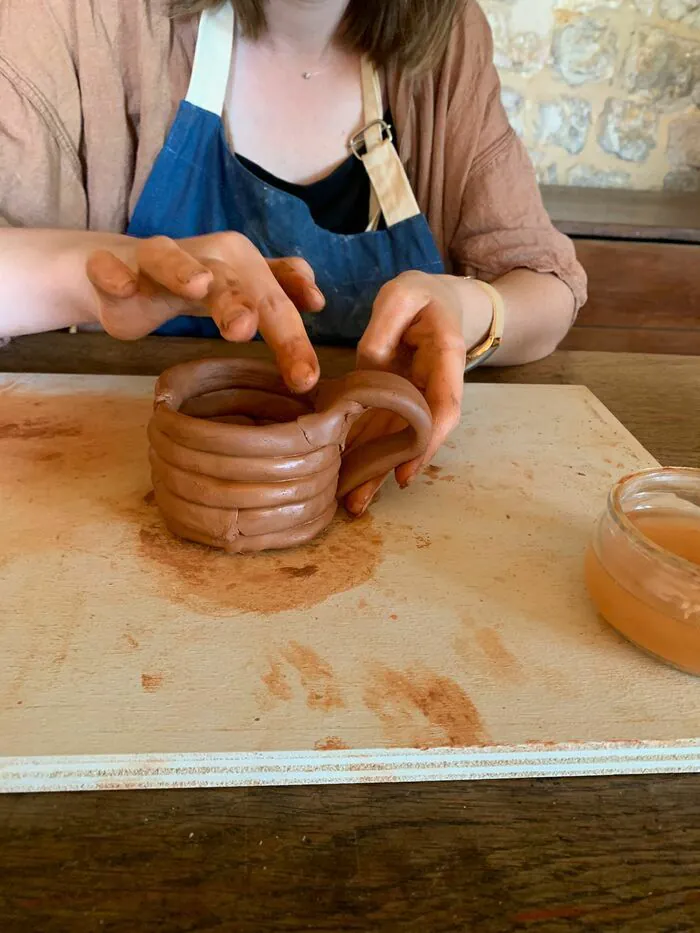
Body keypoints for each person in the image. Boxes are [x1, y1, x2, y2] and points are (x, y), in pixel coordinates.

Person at [0, 0, 586, 515]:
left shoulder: (448, 37)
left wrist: (469, 308)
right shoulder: (77, 19)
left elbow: (546, 287)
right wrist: (95, 275)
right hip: (103, 480)